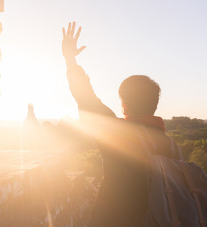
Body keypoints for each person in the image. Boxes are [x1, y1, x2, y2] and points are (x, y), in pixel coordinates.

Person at [62, 22, 173, 227]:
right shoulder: (168, 144)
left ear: (124, 105)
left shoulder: (120, 135)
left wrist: (70, 59)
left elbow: (85, 97)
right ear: (154, 105)